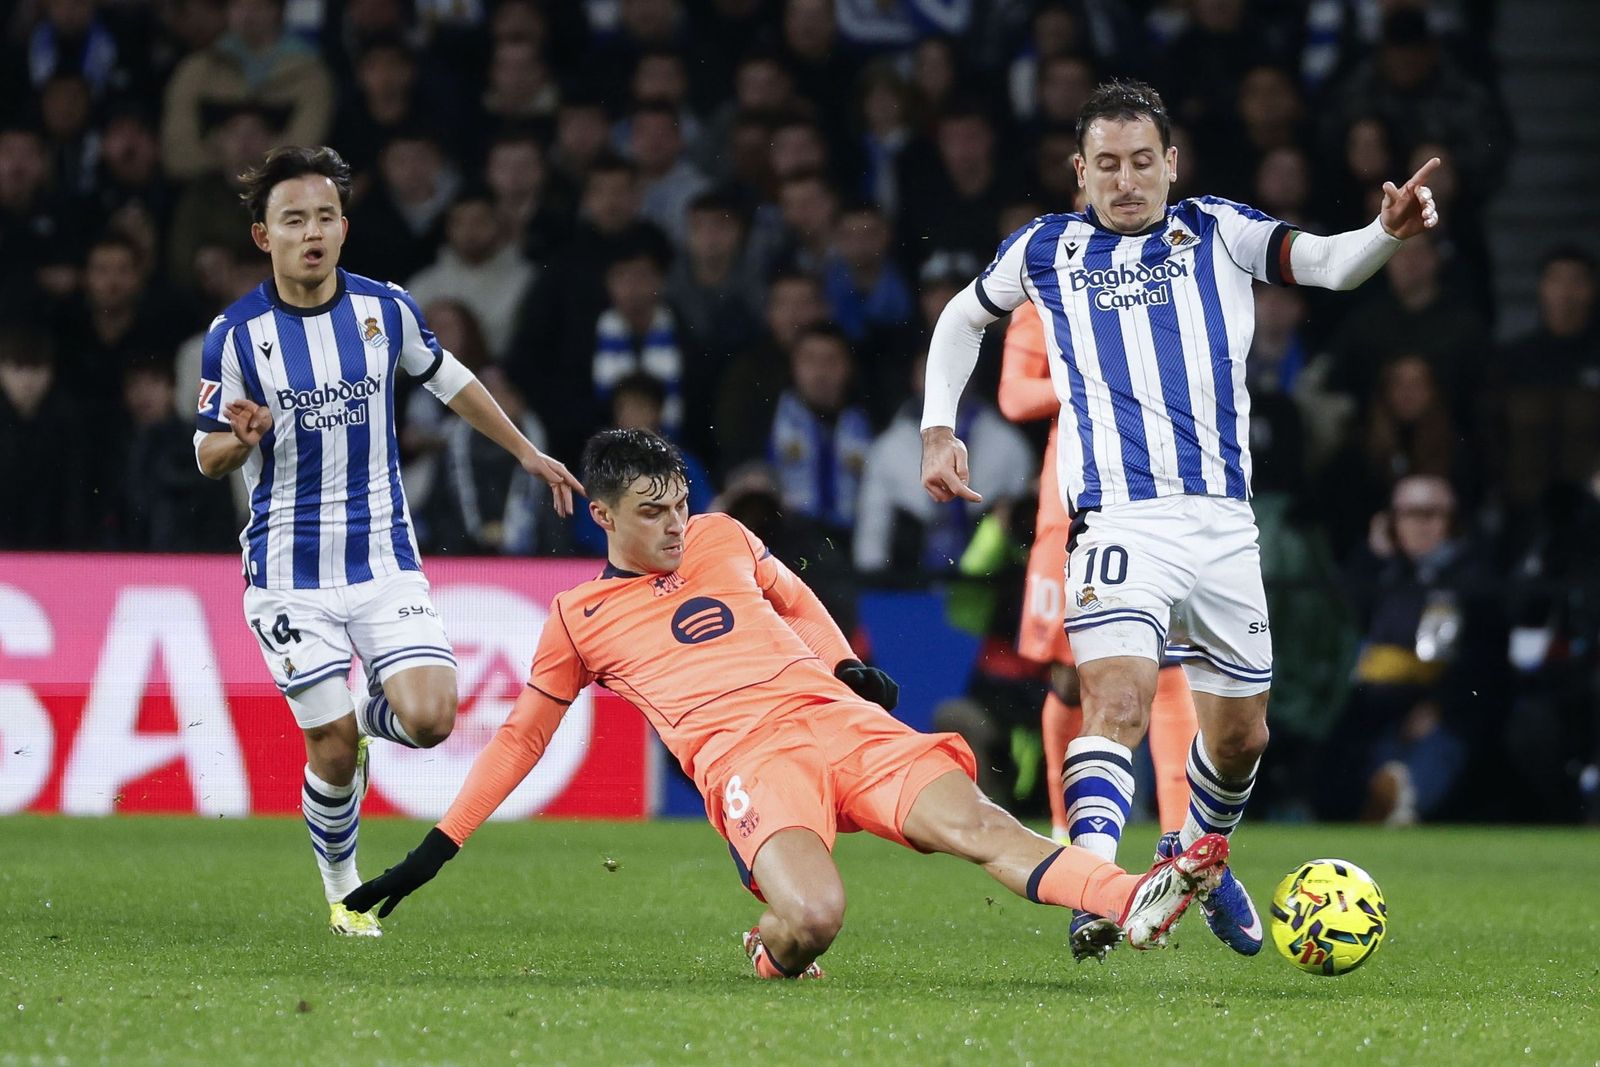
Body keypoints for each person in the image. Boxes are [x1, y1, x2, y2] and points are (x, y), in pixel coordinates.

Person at [343, 428, 1233, 974]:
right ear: (603, 518)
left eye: (682, 504)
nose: (676, 524)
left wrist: (843, 665)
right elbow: (520, 743)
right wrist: (436, 848)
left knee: (987, 827)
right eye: (653, 512)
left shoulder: (723, 534)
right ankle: (769, 954)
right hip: (750, 763)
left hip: (839, 721)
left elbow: (791, 595)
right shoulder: (577, 619)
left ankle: (1131, 898)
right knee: (814, 918)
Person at [919, 79, 1440, 961]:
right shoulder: (1046, 249)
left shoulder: (1219, 230)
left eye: (1142, 163)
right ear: (1081, 171)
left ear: (1172, 163)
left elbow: (1320, 263)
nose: (1126, 182)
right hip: (1119, 520)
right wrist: (940, 426)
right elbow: (963, 319)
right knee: (1115, 698)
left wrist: (1383, 234)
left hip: (1224, 527)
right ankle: (1096, 885)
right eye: (1107, 166)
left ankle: (1192, 854)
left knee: (1241, 736)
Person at [193, 145, 582, 937]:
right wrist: (240, 438)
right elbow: (206, 454)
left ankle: (362, 714)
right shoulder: (235, 335)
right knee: (330, 751)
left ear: (344, 226)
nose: (313, 232)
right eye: (293, 218)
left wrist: (527, 453)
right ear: (264, 236)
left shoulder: (385, 310)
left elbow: (454, 381)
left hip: (382, 562)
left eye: (325, 217)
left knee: (435, 717)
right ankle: (343, 889)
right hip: (287, 573)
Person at [998, 299, 1198, 846]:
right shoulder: (1046, 293)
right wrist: (1094, 381)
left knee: (1170, 663)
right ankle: (1066, 830)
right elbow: (1014, 396)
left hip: (1157, 496)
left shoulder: (1166, 282)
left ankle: (1180, 844)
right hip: (1071, 509)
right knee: (1071, 675)